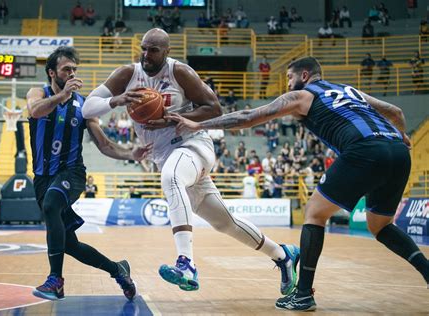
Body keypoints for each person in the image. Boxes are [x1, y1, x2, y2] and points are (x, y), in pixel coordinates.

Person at [167, 56, 429, 311]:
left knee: (314, 213)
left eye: (290, 78)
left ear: (305, 76)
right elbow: (396, 111)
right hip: (398, 150)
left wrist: (196, 123)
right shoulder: (349, 90)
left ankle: (303, 294)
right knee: (380, 225)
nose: (287, 84)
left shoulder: (303, 95)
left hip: (365, 150)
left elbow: (247, 117)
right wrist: (403, 136)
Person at [81, 28, 300, 295]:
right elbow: (87, 108)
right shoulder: (128, 74)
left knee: (171, 177)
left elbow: (214, 107)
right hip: (166, 156)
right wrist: (116, 100)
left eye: (153, 50)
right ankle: (283, 255)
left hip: (193, 145)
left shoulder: (179, 72)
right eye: (144, 48)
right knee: (225, 223)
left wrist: (181, 119)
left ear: (167, 52)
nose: (146, 54)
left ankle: (186, 265)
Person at [26, 46, 151, 301]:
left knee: (52, 204)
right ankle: (119, 270)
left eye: (74, 69)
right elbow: (35, 110)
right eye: (66, 69)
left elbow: (105, 145)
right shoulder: (38, 93)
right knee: (70, 245)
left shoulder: (83, 106)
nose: (72, 74)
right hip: (42, 178)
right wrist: (61, 96)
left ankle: (56, 281)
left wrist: (131, 154)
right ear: (52, 72)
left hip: (71, 173)